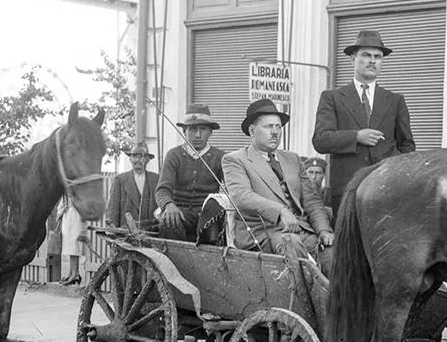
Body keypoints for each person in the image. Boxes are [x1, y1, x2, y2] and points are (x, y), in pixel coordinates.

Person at [312, 29, 415, 215]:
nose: (372, 61)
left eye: (378, 56)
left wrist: (397, 177)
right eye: (366, 55)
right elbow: (320, 140)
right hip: (347, 189)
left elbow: (407, 146)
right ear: (353, 58)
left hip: (386, 189)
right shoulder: (332, 97)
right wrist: (356, 136)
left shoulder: (395, 100)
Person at [222, 99, 334, 265]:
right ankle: (302, 292)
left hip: (303, 230)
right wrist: (280, 211)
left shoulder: (292, 159)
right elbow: (241, 196)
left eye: (278, 127)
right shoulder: (235, 160)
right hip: (263, 233)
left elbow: (312, 201)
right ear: (252, 131)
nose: (275, 132)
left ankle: (333, 291)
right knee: (292, 245)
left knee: (334, 252)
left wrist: (324, 230)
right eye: (268, 126)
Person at [153, 104, 226, 242]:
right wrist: (168, 205)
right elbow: (162, 190)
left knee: (215, 230)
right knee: (169, 222)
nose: (197, 135)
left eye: (203, 129)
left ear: (210, 132)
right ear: (184, 131)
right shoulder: (174, 155)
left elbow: (232, 189)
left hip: (207, 217)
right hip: (179, 213)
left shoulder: (220, 157)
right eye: (192, 129)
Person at [106, 142, 160, 232]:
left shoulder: (156, 179)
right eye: (135, 156)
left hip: (151, 235)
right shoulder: (120, 180)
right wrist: (113, 232)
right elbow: (113, 211)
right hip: (126, 237)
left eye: (142, 157)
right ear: (130, 159)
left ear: (148, 160)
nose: (138, 160)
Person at [58, 193, 86, 285]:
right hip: (70, 214)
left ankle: (75, 273)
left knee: (73, 245)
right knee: (70, 246)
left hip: (73, 215)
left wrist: (60, 212)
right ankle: (71, 272)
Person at [302, 155, 332, 225]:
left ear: (324, 175)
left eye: (318, 173)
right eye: (310, 172)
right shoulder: (299, 193)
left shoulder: (328, 194)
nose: (314, 177)